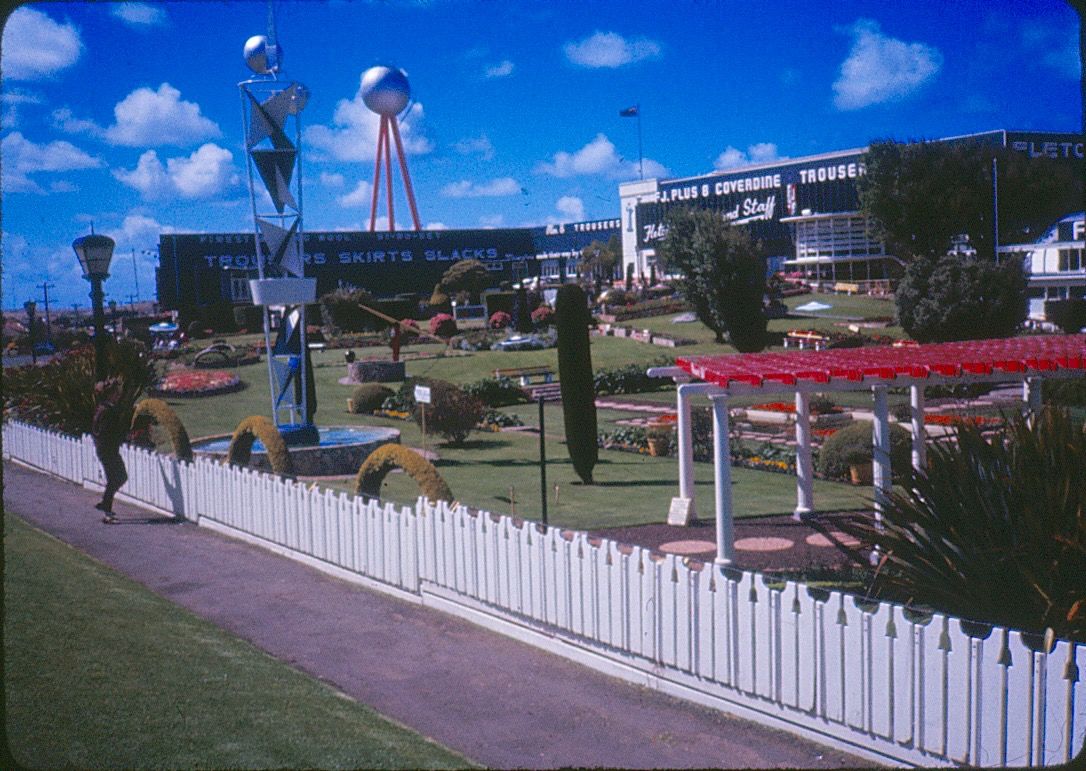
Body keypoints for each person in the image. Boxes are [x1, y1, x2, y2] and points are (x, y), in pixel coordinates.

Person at [91, 377, 128, 523]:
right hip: (108, 450)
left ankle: (105, 504)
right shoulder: (107, 411)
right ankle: (107, 511)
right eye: (116, 393)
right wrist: (121, 437)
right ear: (110, 394)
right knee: (118, 477)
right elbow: (107, 432)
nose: (118, 396)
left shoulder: (102, 409)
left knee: (116, 477)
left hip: (105, 450)